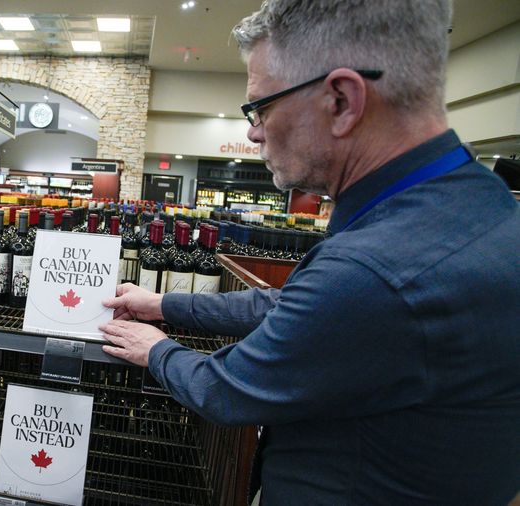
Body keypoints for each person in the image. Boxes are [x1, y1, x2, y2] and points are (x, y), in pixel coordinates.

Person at [99, 1, 520, 504]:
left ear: (341, 100)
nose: (253, 131)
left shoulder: (372, 272)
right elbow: (292, 308)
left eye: (261, 106)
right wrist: (165, 305)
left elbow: (229, 388)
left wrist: (156, 350)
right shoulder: (479, 203)